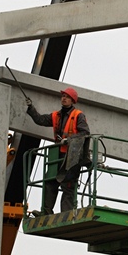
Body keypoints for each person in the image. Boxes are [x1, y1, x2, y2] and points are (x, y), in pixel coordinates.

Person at [25, 87, 90, 216]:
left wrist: (69, 139)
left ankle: (66, 214)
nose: (64, 98)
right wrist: (31, 108)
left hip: (72, 155)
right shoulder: (56, 116)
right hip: (58, 154)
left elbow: (85, 133)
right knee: (51, 182)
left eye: (67, 97)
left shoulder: (78, 115)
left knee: (68, 185)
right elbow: (40, 120)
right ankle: (46, 211)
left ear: (72, 100)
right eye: (63, 96)